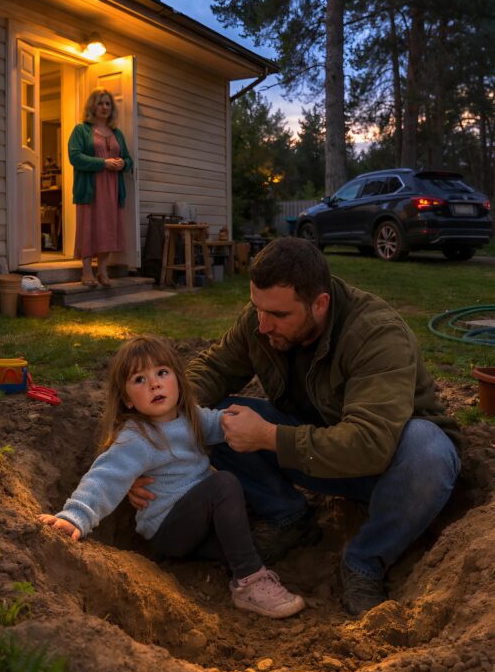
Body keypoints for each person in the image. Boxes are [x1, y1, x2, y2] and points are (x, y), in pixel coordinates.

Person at [129, 238, 461, 617]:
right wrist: (143, 446)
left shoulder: (376, 334)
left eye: (279, 315)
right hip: (314, 451)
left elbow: (371, 444)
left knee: (429, 450)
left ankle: (365, 561)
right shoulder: (263, 320)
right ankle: (287, 516)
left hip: (390, 468)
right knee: (215, 413)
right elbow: (211, 371)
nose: (263, 324)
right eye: (257, 309)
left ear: (319, 304)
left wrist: (269, 437)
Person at [37, 335, 305, 620]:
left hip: (199, 525)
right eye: (139, 379)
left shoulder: (191, 418)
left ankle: (245, 561)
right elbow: (105, 477)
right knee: (223, 484)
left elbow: (222, 423)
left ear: (178, 380)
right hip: (169, 529)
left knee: (244, 539)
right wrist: (75, 515)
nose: (154, 384)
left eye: (162, 373)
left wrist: (273, 429)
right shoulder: (136, 438)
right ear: (127, 399)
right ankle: (249, 583)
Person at [68, 88, 133, 288]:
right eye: (100, 103)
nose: (104, 107)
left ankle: (102, 271)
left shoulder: (117, 133)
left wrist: (123, 163)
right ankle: (86, 271)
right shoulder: (81, 130)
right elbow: (75, 157)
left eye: (108, 104)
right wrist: (103, 163)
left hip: (113, 189)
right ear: (92, 106)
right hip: (90, 188)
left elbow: (129, 160)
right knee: (88, 227)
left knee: (108, 229)